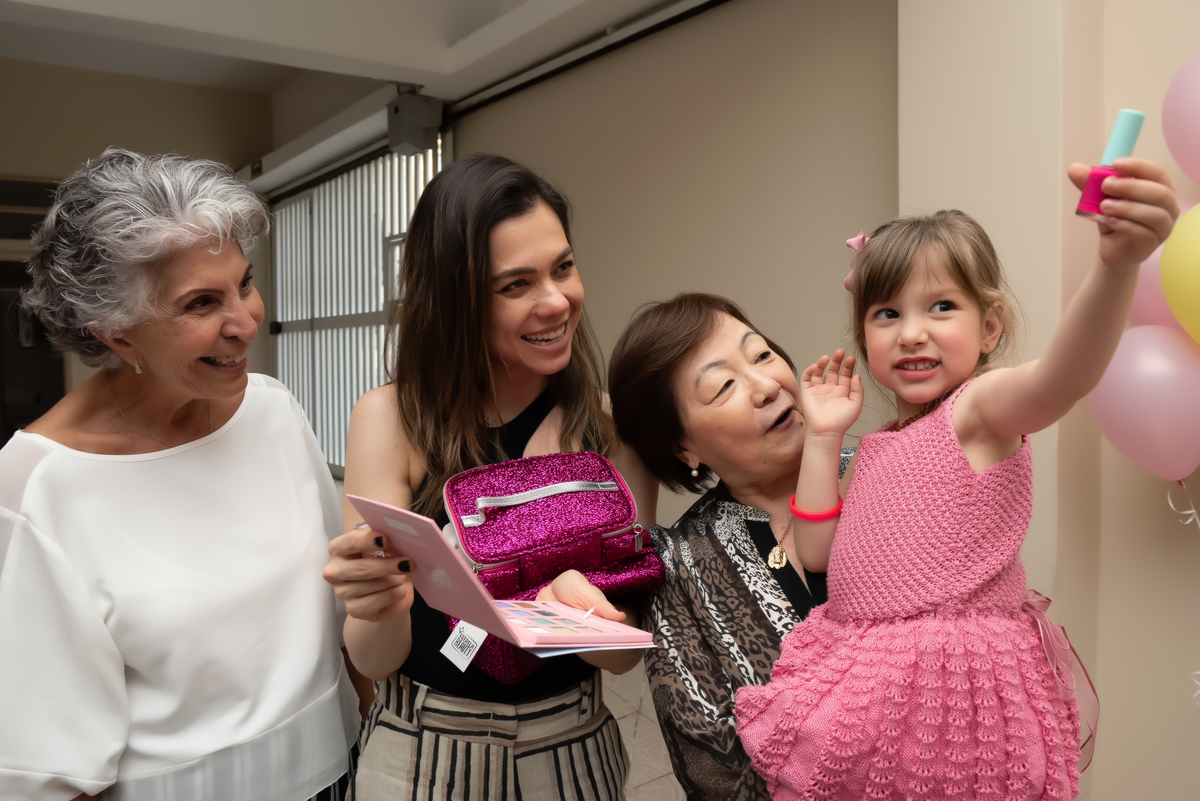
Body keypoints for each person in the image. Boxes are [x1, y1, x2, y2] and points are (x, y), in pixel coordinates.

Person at [734, 159, 1179, 800]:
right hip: (874, 688)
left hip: (954, 691)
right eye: (887, 313)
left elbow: (1063, 377)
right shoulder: (878, 447)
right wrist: (825, 436)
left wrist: (1114, 268)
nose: (912, 332)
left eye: (941, 307)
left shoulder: (978, 412)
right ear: (864, 334)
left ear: (989, 327)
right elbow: (816, 554)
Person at [0, 149, 359, 800]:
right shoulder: (36, 485)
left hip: (341, 771)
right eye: (202, 303)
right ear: (115, 333)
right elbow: (50, 768)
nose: (245, 321)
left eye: (244, 283)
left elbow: (342, 612)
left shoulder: (273, 410)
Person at [321, 154, 658, 800]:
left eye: (563, 267)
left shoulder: (611, 431)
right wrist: (376, 604)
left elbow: (621, 655)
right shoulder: (390, 419)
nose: (556, 301)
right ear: (455, 299)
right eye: (515, 285)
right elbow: (374, 658)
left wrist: (569, 612)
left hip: (572, 744)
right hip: (423, 747)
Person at [607, 293, 852, 801]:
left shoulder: (889, 470)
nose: (767, 386)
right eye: (723, 387)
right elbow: (712, 768)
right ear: (683, 447)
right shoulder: (680, 564)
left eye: (761, 355)